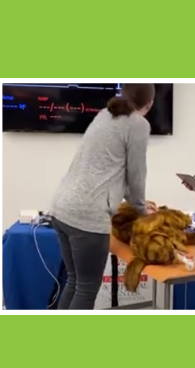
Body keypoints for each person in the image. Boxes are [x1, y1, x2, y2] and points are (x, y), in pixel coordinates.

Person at [49, 84, 157, 310]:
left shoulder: (105, 114)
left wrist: (137, 202)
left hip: (62, 207)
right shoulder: (138, 124)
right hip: (88, 215)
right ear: (149, 103)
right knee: (87, 288)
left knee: (74, 281)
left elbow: (114, 170)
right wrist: (141, 210)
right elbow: (135, 175)